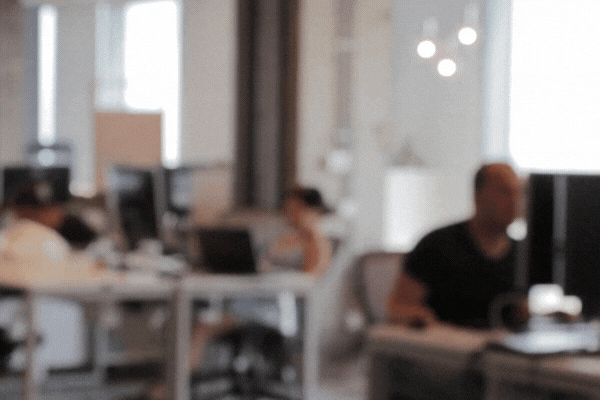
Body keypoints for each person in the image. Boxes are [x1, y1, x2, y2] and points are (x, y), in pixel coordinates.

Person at [387, 162, 526, 329]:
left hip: (504, 342)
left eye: (519, 193)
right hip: (446, 342)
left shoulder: (522, 254)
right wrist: (421, 319)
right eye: (504, 192)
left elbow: (519, 312)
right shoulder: (437, 245)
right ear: (478, 195)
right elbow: (398, 307)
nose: (515, 201)